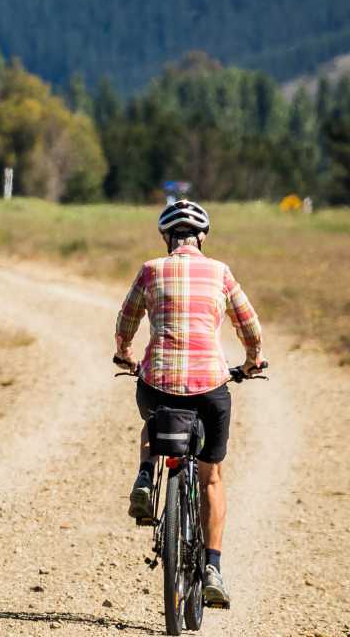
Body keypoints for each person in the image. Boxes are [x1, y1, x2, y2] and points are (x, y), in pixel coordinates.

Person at [113, 200, 265, 609]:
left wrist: (125, 353)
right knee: (212, 476)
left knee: (152, 418)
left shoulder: (150, 270)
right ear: (202, 237)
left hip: (159, 381)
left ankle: (146, 476)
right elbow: (249, 325)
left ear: (167, 238)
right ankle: (213, 567)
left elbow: (127, 319)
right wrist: (252, 361)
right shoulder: (221, 272)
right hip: (209, 385)